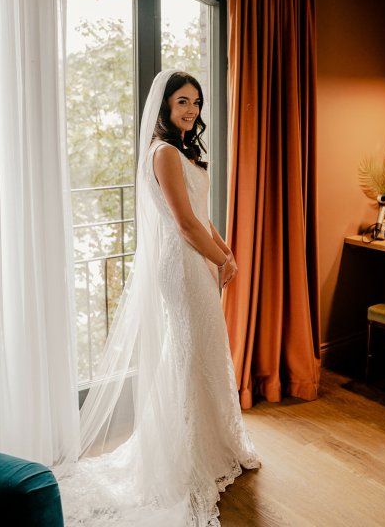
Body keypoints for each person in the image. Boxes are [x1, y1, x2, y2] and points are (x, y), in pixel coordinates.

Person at [56, 69, 260, 527]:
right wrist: (222, 262)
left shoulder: (182, 151)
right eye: (183, 102)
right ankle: (188, 457)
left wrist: (225, 250)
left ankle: (217, 441)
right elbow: (185, 224)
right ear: (165, 106)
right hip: (183, 263)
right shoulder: (164, 153)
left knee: (201, 352)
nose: (192, 110)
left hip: (198, 258)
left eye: (197, 102)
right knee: (191, 355)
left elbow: (203, 218)